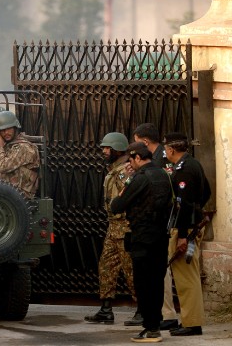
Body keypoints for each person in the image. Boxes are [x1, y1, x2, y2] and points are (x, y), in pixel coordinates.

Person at [110, 142, 173, 343]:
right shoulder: (164, 174)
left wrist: (127, 180)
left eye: (131, 160)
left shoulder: (140, 178)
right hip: (161, 236)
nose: (130, 164)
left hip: (143, 237)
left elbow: (117, 205)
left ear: (137, 158)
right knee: (156, 281)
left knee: (144, 283)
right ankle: (154, 324)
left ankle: (150, 327)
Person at [85, 132, 139, 326]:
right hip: (113, 228)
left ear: (117, 149)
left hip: (125, 227)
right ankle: (106, 309)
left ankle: (142, 309)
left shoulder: (126, 170)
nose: (104, 151)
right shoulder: (114, 169)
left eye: (108, 148)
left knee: (131, 270)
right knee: (106, 267)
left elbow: (130, 197)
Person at [163, 132, 211, 337]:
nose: (165, 152)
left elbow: (182, 205)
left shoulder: (184, 169)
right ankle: (192, 321)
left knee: (185, 276)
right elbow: (206, 191)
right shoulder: (194, 164)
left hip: (186, 231)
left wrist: (182, 235)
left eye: (166, 148)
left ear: (171, 149)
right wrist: (198, 210)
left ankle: (192, 324)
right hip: (193, 228)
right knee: (189, 272)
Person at [133, 123, 179, 330]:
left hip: (161, 223)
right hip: (158, 224)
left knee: (161, 271)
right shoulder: (159, 157)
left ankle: (167, 314)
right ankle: (158, 314)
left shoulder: (161, 160)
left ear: (144, 141)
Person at [0, 111, 40, 198]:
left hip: (21, 194)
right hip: (9, 190)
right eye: (2, 130)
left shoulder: (23, 147)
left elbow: (3, 167)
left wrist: (0, 147)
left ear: (15, 128)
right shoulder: (9, 145)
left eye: (9, 129)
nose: (6, 133)